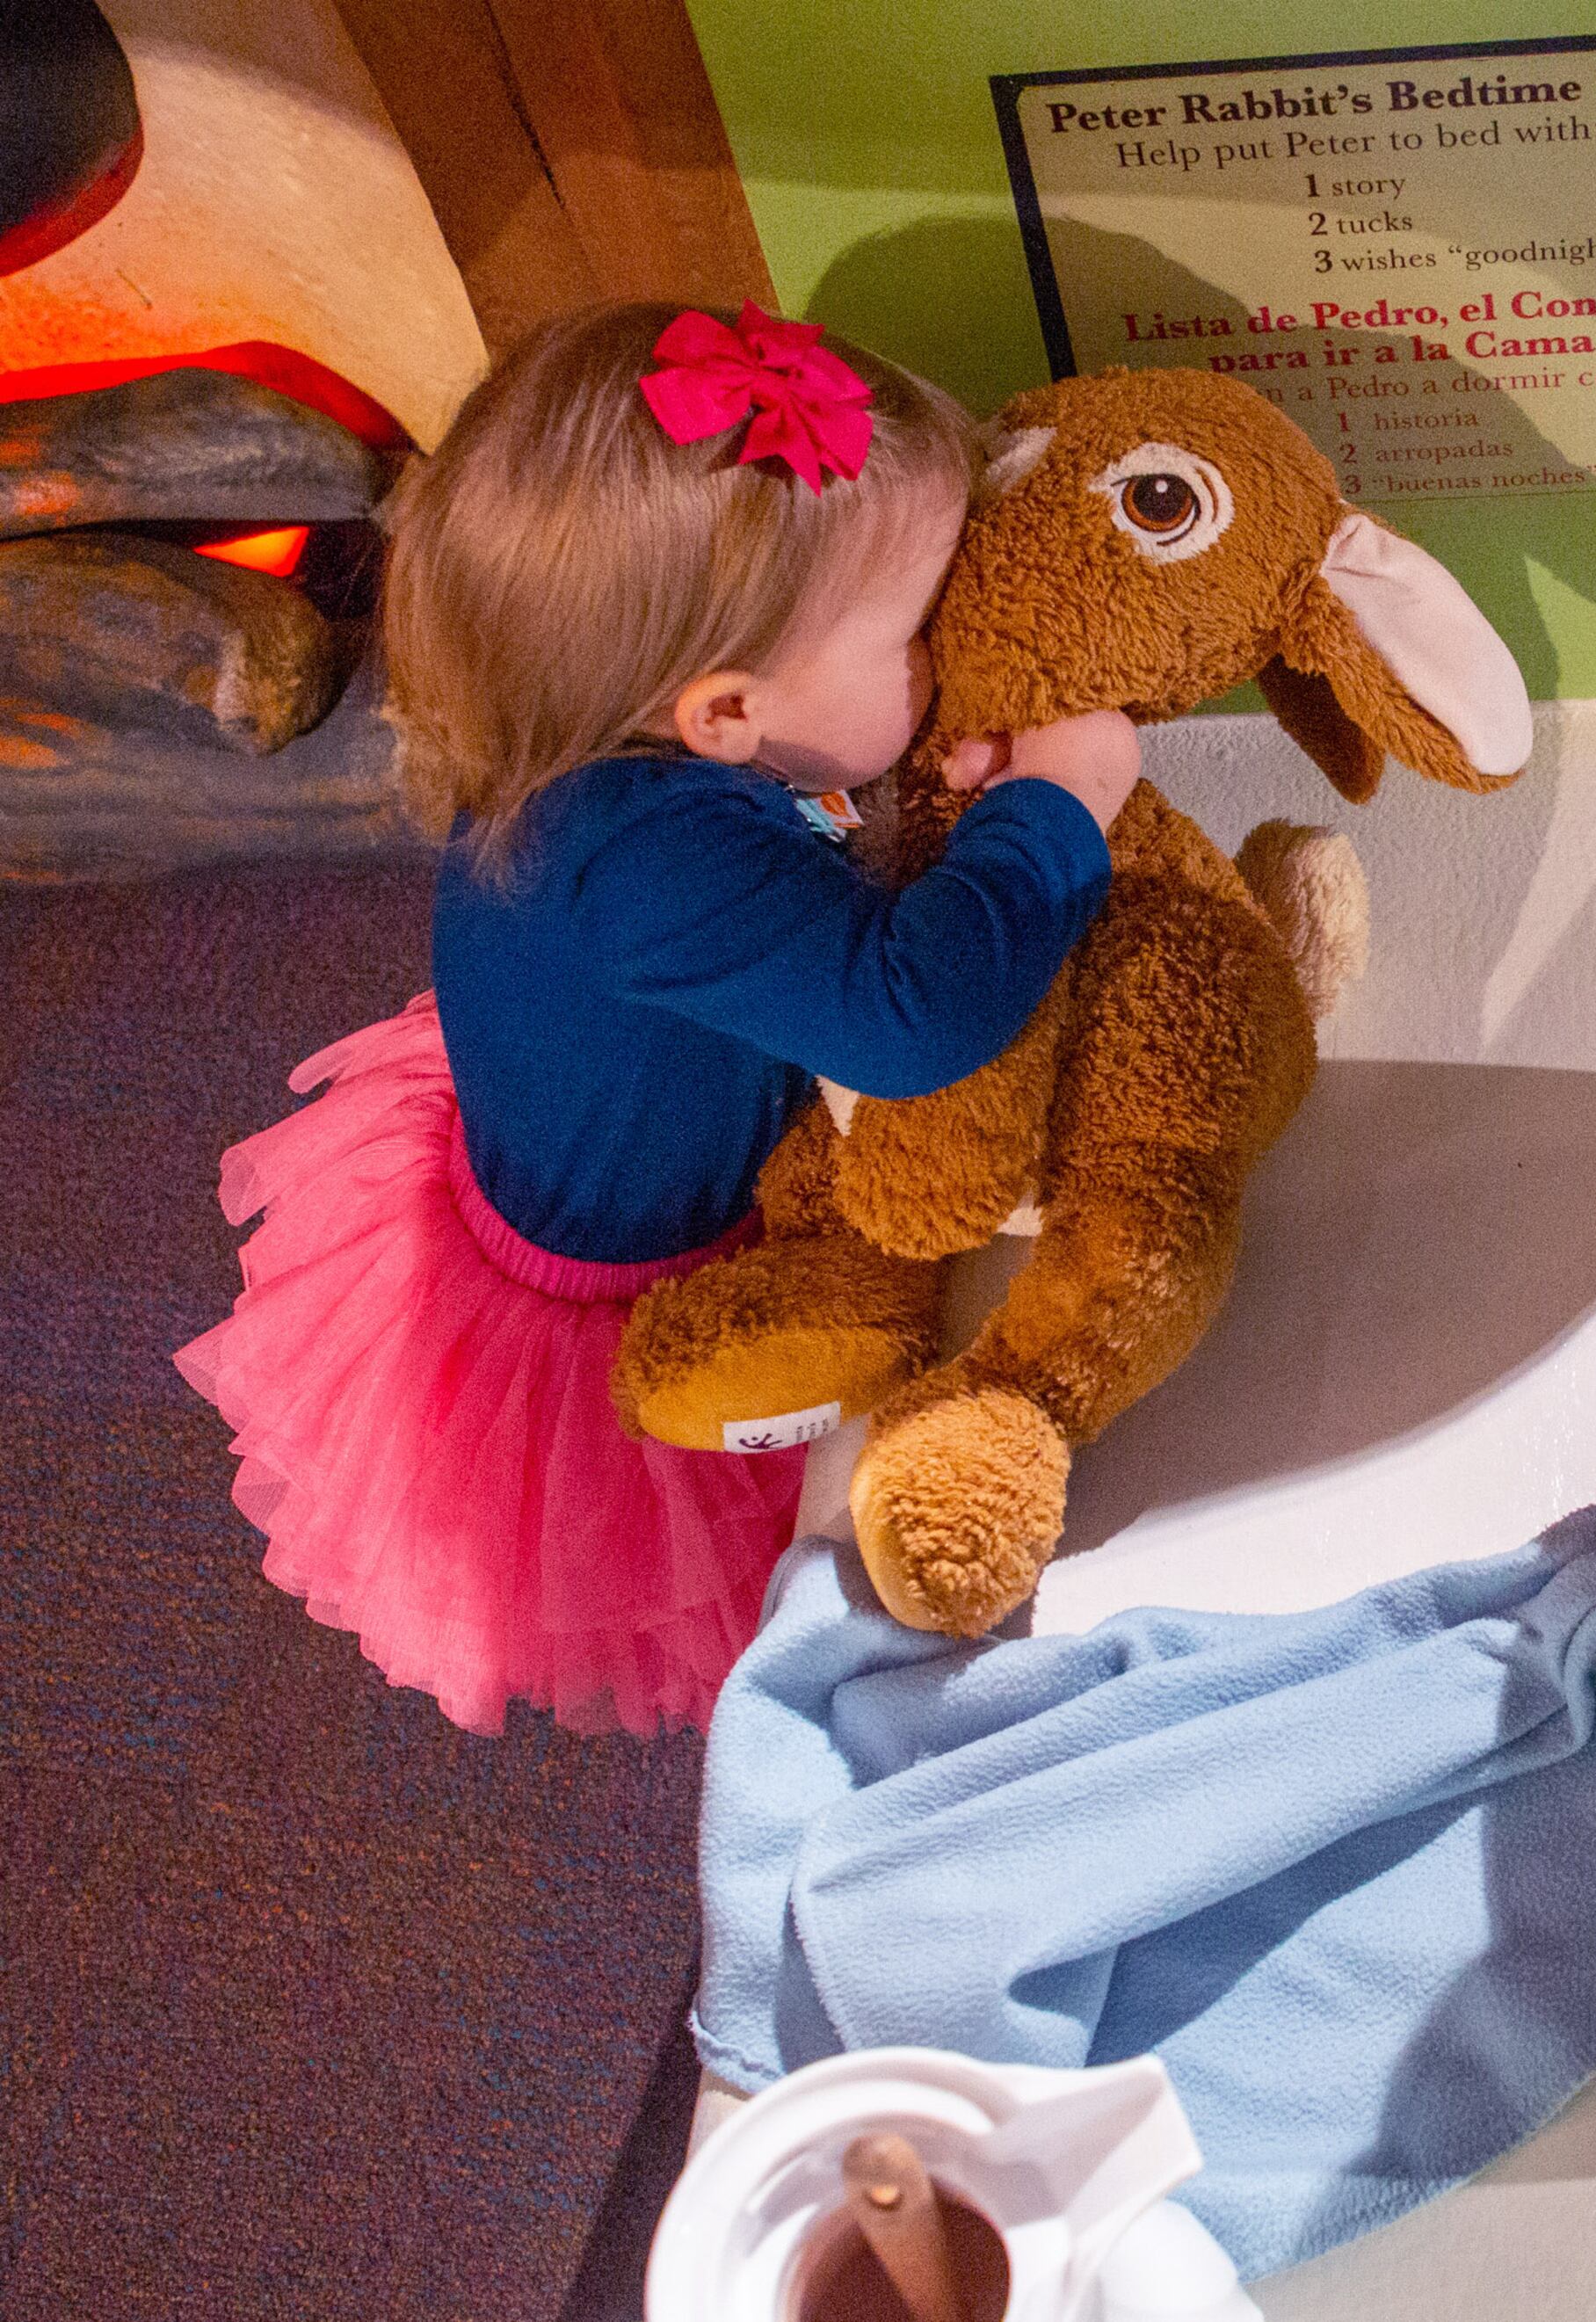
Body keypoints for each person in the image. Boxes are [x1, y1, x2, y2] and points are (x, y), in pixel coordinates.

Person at [176, 302, 1140, 1739]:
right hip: (628, 1283)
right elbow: (907, 1018)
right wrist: (1060, 805)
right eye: (914, 636)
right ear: (726, 713)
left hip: (576, 1113)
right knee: (757, 1488)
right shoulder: (656, 867)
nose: (942, 652)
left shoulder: (588, 746)